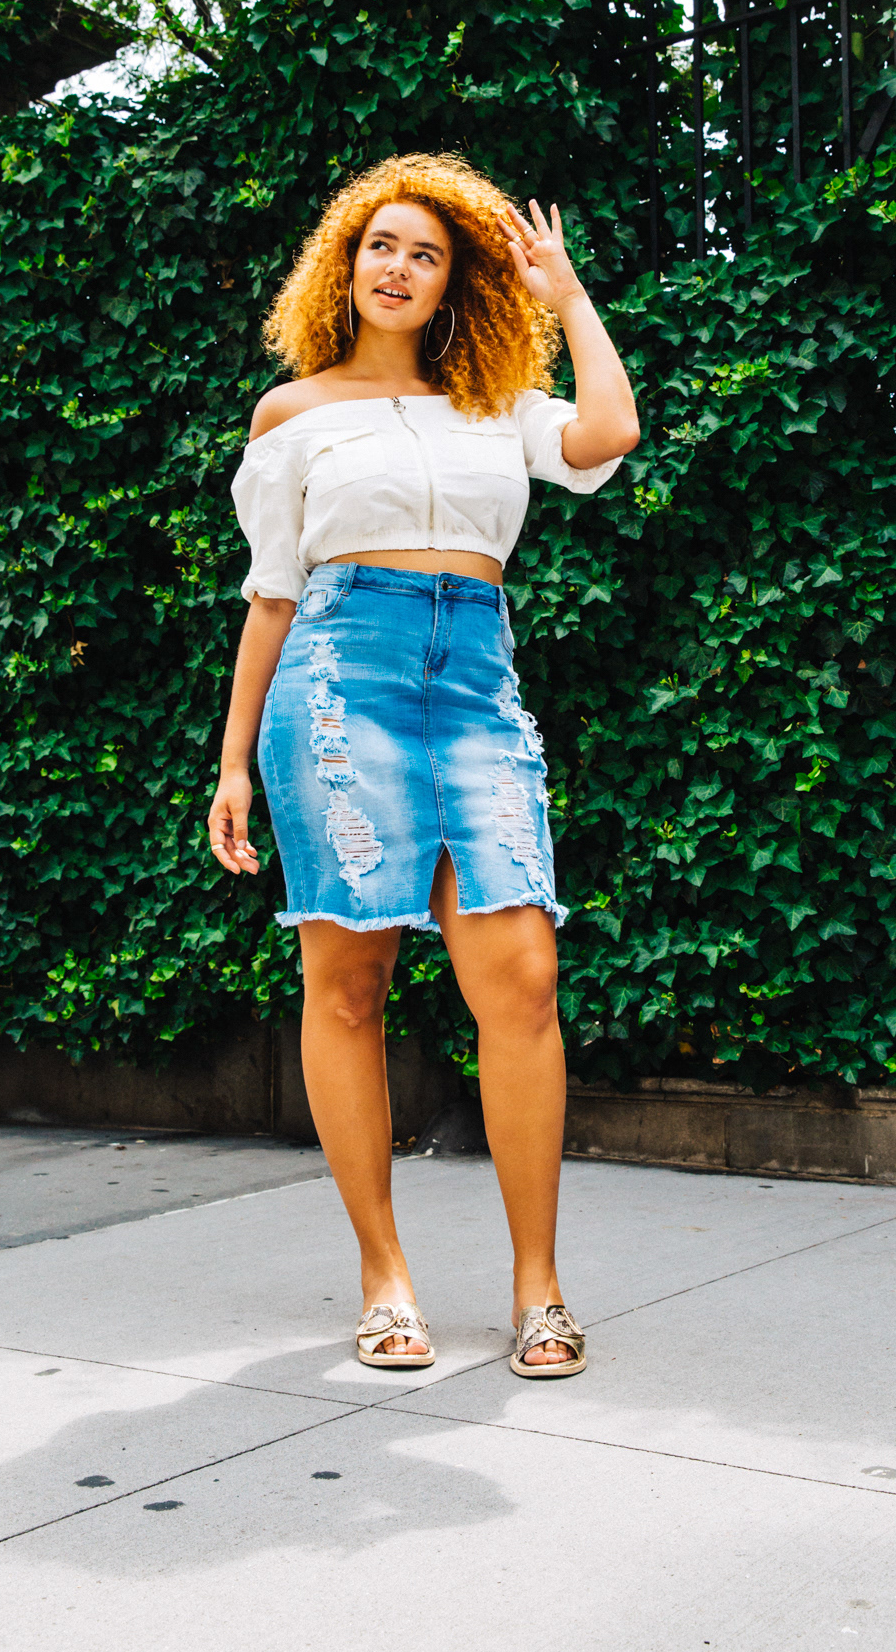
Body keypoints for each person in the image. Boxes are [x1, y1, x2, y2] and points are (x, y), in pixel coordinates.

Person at [208, 153, 639, 1377]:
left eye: (426, 253)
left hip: (475, 688)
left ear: (455, 282)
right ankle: (383, 1274)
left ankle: (538, 1286)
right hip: (340, 683)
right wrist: (233, 765)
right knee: (347, 981)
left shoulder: (497, 402)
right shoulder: (294, 413)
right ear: (344, 265)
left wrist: (566, 295)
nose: (397, 267)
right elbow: (272, 594)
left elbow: (609, 431)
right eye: (380, 246)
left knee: (524, 975)